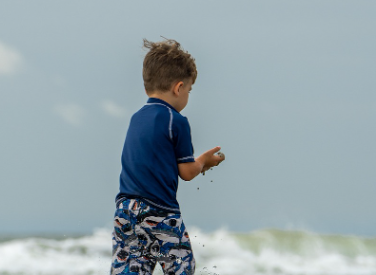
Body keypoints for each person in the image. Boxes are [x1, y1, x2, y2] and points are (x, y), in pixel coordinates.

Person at [111, 38, 225, 275]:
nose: (188, 95)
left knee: (131, 267)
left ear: (147, 88)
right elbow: (187, 172)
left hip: (125, 210)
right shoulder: (176, 120)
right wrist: (205, 161)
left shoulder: (136, 118)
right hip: (159, 212)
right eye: (189, 90)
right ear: (179, 87)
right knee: (181, 265)